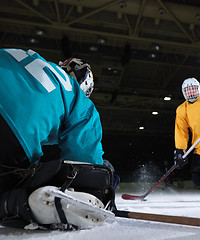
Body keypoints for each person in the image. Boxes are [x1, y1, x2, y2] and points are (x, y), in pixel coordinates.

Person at [0, 48, 116, 230]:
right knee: (16, 188)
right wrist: (99, 189)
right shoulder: (79, 99)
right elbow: (85, 165)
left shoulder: (35, 64)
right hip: (13, 127)